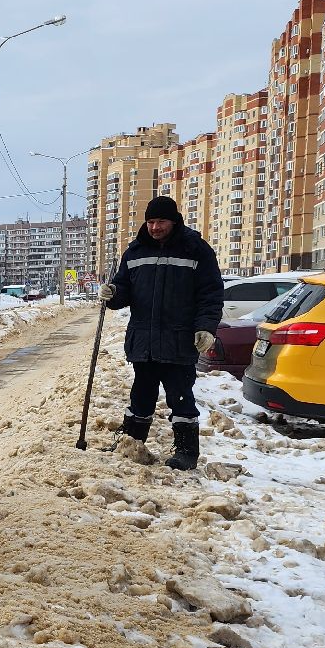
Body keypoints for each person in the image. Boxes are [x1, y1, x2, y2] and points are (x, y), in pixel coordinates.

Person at [101, 196, 223, 470]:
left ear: (174, 221)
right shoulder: (135, 252)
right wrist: (113, 293)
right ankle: (132, 443)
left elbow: (211, 294)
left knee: (180, 396)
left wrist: (206, 327)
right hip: (144, 341)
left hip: (178, 340)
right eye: (151, 221)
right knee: (140, 395)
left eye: (161, 221)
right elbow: (124, 289)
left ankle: (186, 452)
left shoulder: (195, 250)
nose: (155, 227)